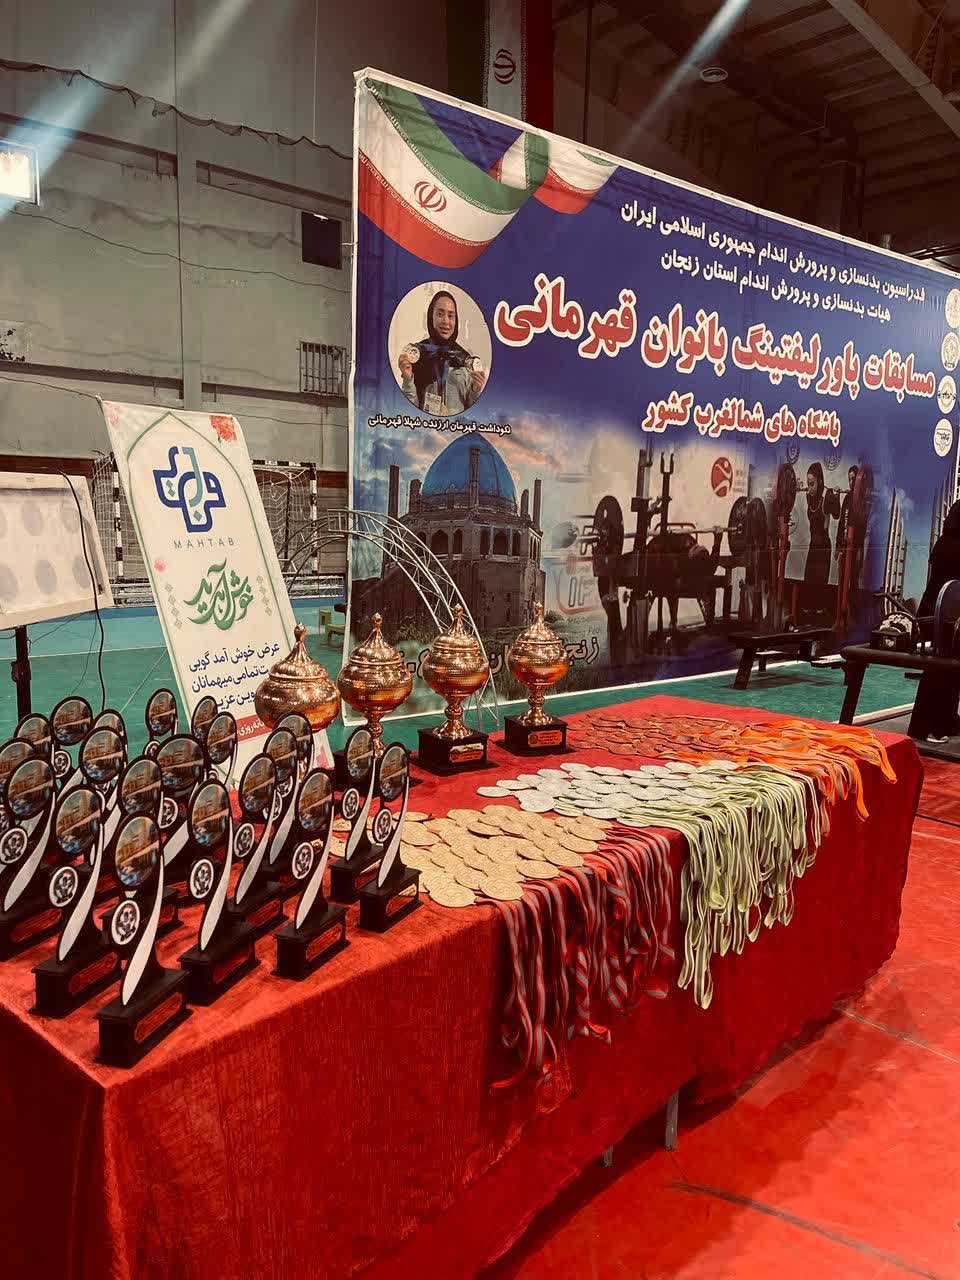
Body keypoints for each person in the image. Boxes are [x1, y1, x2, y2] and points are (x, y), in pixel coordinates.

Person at [398, 291, 487, 416]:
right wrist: (408, 380)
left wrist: (475, 390)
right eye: (440, 314)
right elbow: (409, 412)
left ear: (456, 320)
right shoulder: (418, 355)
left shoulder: (464, 360)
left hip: (455, 427)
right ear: (431, 317)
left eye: (451, 316)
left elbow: (472, 414)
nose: (445, 321)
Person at [914, 501, 960, 741]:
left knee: (945, 669)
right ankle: (931, 727)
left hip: (934, 612)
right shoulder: (955, 545)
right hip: (945, 617)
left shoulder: (944, 542)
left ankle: (946, 721)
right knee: (942, 670)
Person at [802, 462, 841, 619]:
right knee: (809, 580)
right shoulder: (808, 496)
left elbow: (837, 515)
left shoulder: (827, 495)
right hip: (813, 544)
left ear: (819, 481)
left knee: (820, 583)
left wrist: (836, 498)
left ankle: (819, 617)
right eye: (808, 484)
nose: (809, 488)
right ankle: (809, 616)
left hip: (823, 545)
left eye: (812, 484)